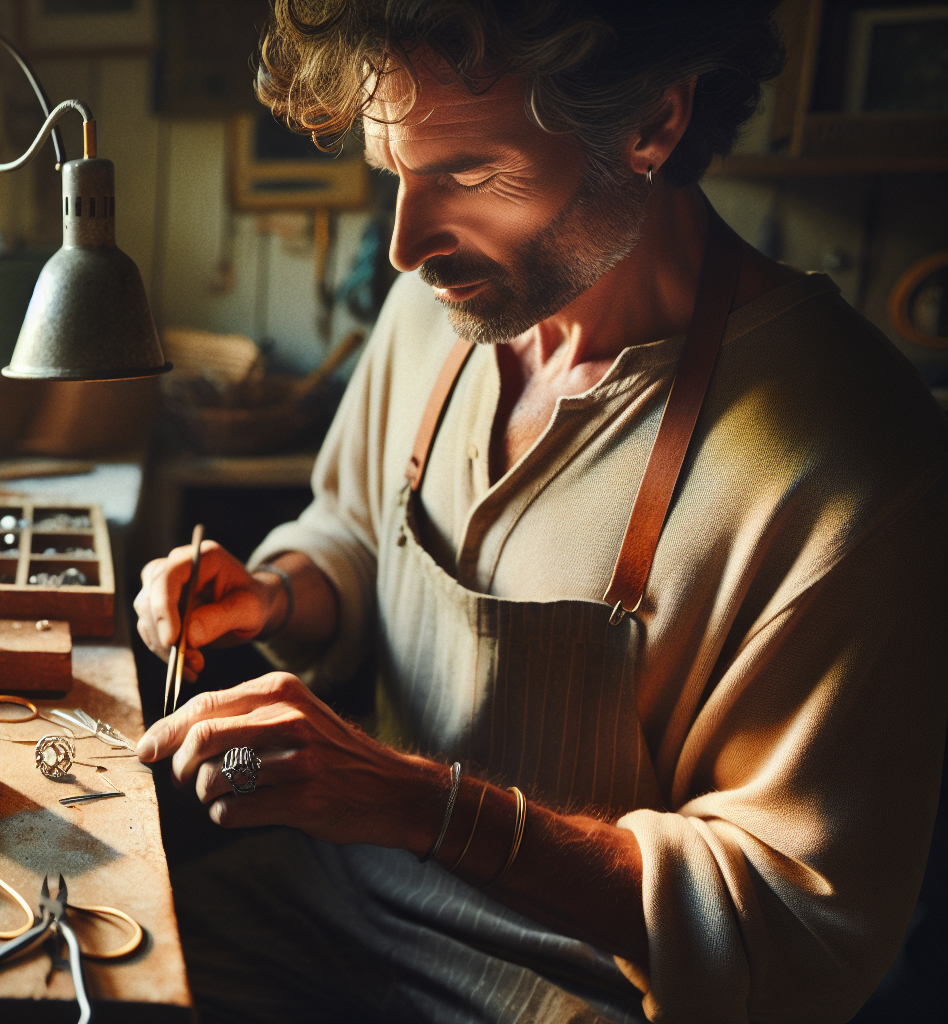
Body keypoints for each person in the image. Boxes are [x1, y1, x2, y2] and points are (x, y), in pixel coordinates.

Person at [134, 2, 948, 1021]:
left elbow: (785, 925)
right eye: (396, 171)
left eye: (470, 175)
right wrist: (275, 593)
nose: (405, 246)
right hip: (322, 906)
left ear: (651, 123)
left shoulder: (853, 457)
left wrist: (412, 803)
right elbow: (356, 531)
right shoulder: (442, 307)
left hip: (578, 991)